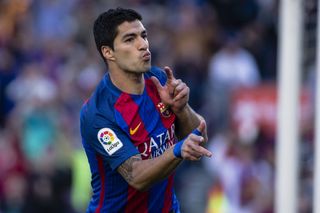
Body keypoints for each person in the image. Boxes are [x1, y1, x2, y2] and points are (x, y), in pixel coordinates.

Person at [80, 7, 212, 213]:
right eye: (129, 39)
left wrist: (182, 108)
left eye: (143, 35)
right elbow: (137, 176)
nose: (143, 45)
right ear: (108, 52)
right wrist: (177, 150)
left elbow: (200, 138)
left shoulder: (158, 80)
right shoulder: (99, 113)